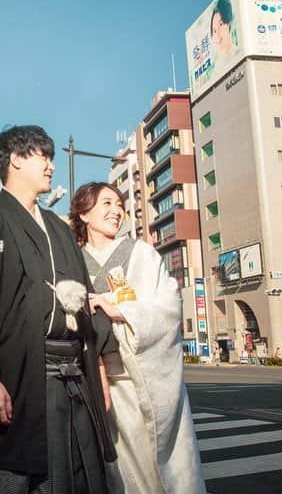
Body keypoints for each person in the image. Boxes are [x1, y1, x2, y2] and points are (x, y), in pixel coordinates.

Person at [0, 125, 116, 493]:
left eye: (51, 157)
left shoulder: (59, 229)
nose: (50, 165)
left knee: (78, 473)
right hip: (18, 375)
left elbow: (84, 307)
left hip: (73, 377)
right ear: (15, 159)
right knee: (12, 474)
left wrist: (98, 374)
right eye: (42, 156)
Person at [72, 181, 204, 493]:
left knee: (152, 465)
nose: (116, 211)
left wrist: (121, 311)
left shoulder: (141, 254)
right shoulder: (73, 260)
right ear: (84, 214)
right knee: (112, 469)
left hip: (139, 378)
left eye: (119, 205)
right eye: (106, 204)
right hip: (94, 379)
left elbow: (168, 306)